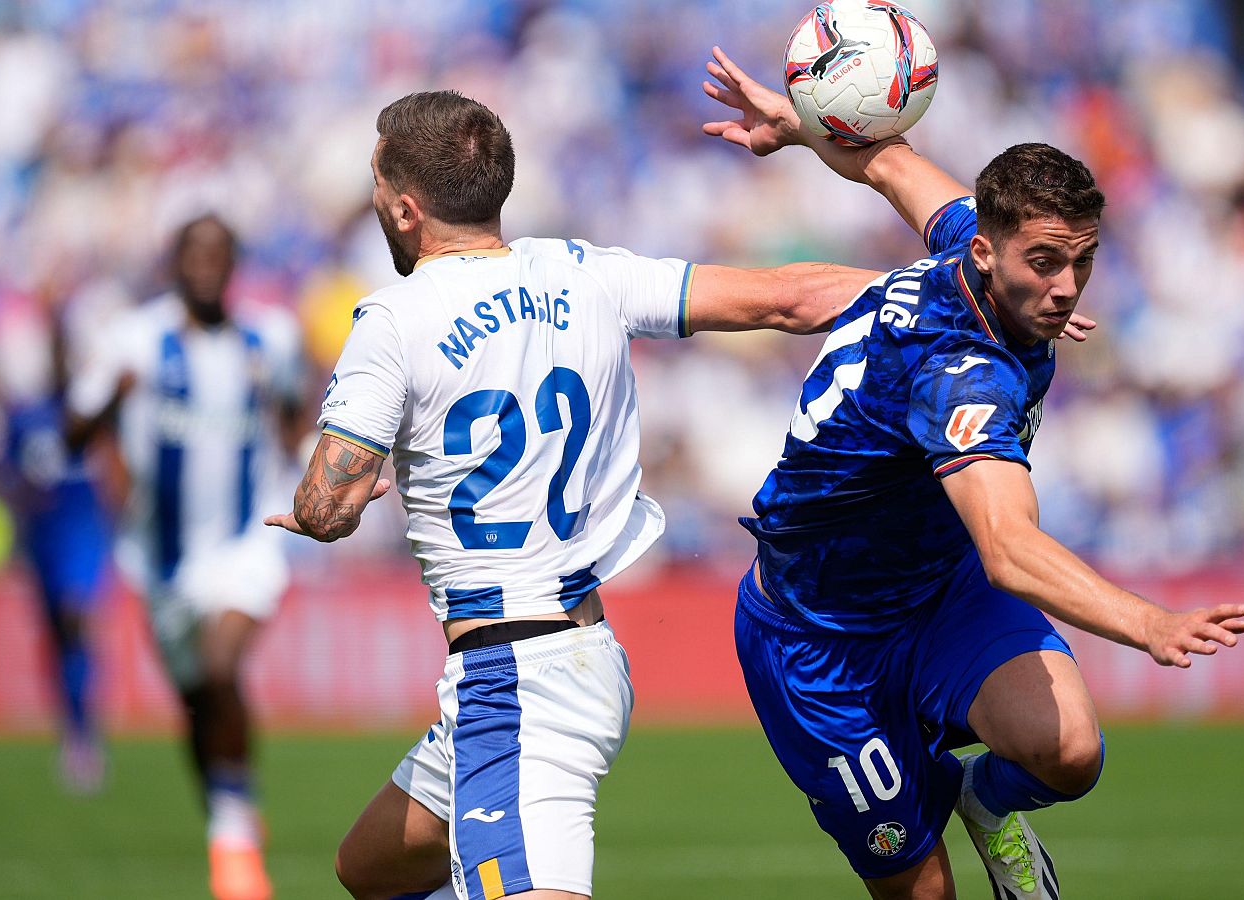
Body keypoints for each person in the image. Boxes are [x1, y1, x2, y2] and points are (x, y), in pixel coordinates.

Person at [262, 90, 886, 900]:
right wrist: (956, 290)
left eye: (377, 182)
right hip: (573, 653)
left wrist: (328, 507)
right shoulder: (585, 272)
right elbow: (790, 298)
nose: (374, 198)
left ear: (407, 209)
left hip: (515, 677)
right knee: (373, 869)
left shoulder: (395, 319)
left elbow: (326, 505)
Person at [700, 48, 1244, 899]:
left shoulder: (971, 241)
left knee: (1067, 753)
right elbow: (1005, 547)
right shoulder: (964, 374)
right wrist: (1147, 624)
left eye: (1082, 261)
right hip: (819, 641)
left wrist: (798, 125)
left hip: (935, 593)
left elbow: (886, 159)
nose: (1067, 288)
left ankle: (985, 804)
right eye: (1045, 263)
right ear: (992, 256)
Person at [68, 214, 306, 900]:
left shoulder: (271, 338)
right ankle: (232, 806)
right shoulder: (134, 339)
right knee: (199, 703)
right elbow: (74, 429)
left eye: (219, 257)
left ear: (234, 267)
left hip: (246, 541)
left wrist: (319, 469)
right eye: (194, 256)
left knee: (221, 664)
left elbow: (295, 422)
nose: (206, 268)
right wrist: (114, 399)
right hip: (160, 558)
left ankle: (232, 844)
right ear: (174, 264)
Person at [0, 286, 111, 793]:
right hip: (45, 535)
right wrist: (21, 493)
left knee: (76, 617)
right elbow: (1, 473)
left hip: (84, 530)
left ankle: (86, 734)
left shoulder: (91, 414)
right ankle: (75, 726)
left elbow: (116, 467)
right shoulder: (27, 417)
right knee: (59, 635)